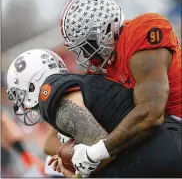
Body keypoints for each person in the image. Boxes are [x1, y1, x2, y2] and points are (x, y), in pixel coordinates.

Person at [59, 0, 182, 177]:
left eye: (88, 45)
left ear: (106, 28)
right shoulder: (102, 66)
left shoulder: (140, 33)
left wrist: (95, 153)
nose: (87, 55)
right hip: (169, 131)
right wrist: (71, 152)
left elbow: (151, 112)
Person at [7, 49, 181, 177]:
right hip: (161, 143)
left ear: (32, 84)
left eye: (19, 93)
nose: (19, 102)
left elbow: (99, 150)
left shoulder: (51, 94)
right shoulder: (75, 84)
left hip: (157, 152)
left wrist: (77, 169)